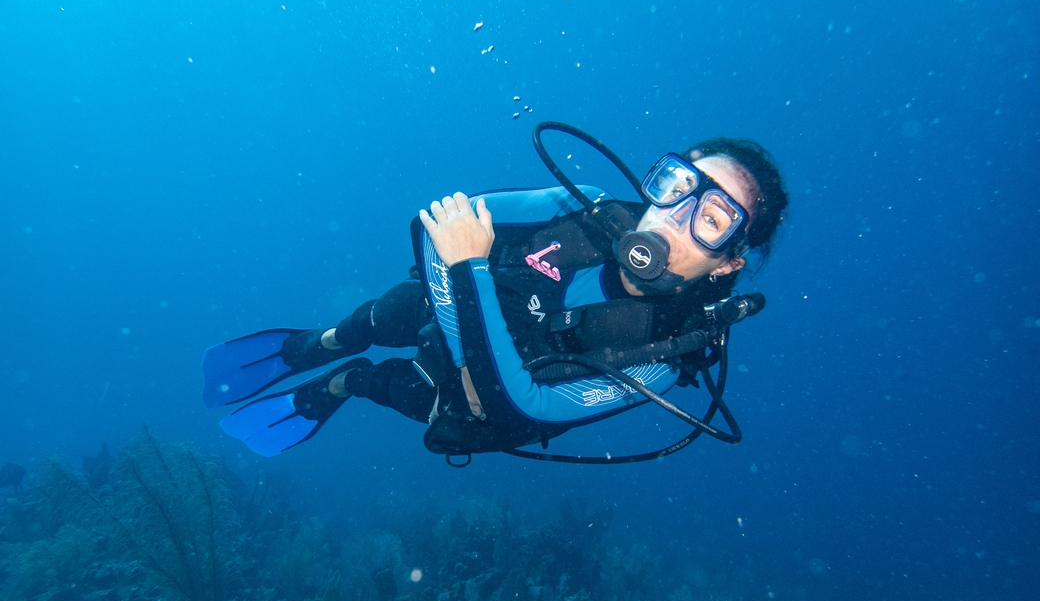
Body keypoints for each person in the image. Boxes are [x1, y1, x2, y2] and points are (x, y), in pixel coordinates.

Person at [203, 134, 788, 461]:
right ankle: (324, 342)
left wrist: (467, 273)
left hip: (469, 394)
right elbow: (436, 222)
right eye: (678, 185)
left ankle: (343, 382)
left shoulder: (660, 359)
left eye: (712, 218)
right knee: (385, 314)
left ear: (729, 261)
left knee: (404, 390)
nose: (674, 215)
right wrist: (468, 302)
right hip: (461, 319)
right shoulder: (583, 206)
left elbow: (523, 409)